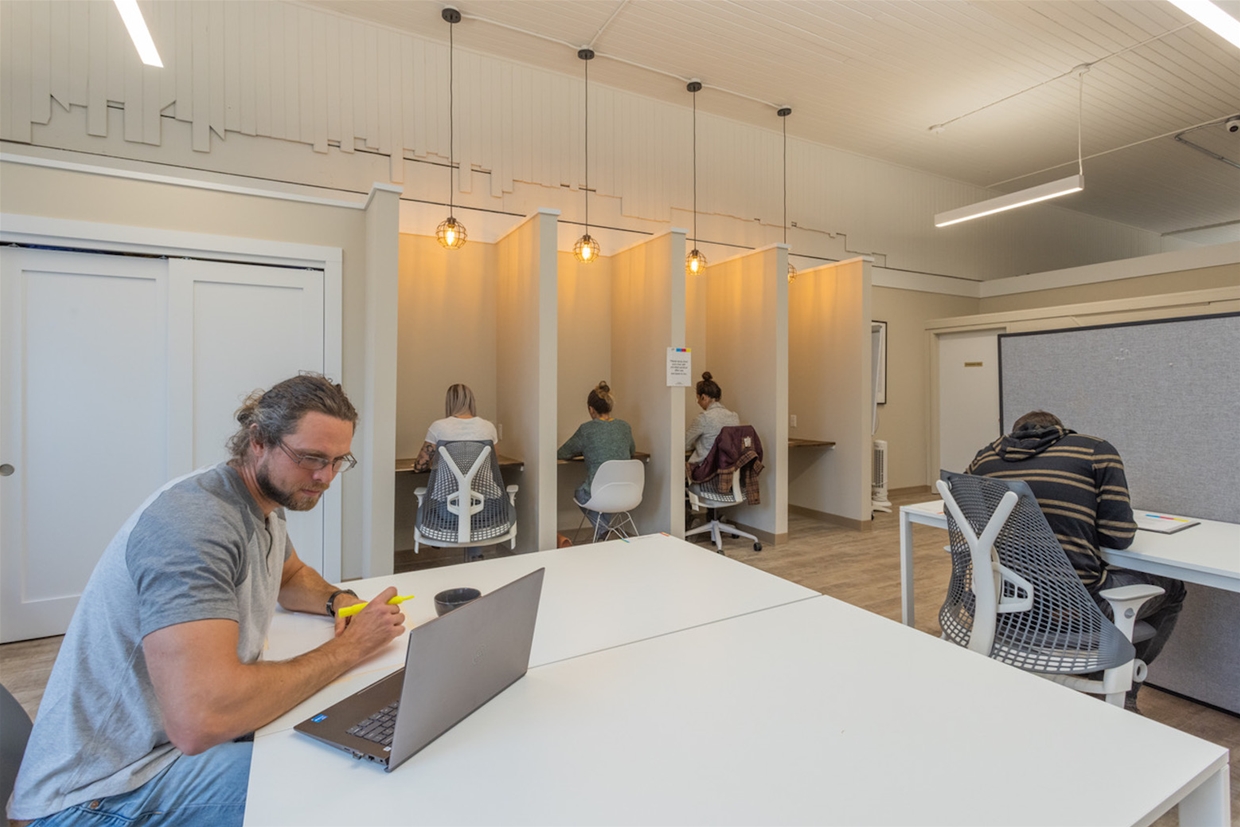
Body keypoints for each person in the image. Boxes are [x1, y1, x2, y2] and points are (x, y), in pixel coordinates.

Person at [8, 374, 406, 826]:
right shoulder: (195, 525)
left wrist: (341, 602)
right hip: (102, 793)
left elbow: (290, 576)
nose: (325, 477)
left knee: (345, 743)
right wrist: (350, 648)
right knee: (353, 784)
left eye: (337, 461)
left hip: (165, 753)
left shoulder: (262, 504)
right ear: (258, 440)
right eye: (311, 458)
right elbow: (201, 718)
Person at [966, 410, 1186, 712]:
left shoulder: (983, 459)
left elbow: (971, 520)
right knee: (1173, 588)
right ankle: (1119, 686)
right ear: (1060, 431)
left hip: (999, 603)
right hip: (1073, 611)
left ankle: (1100, 674)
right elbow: (1118, 537)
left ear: (1014, 434)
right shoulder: (1095, 452)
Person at [557, 381, 636, 541]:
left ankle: (603, 532)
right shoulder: (625, 427)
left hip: (599, 493)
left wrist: (585, 449)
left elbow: (562, 453)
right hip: (627, 493)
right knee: (603, 490)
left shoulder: (586, 429)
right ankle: (605, 534)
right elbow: (632, 450)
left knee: (581, 493)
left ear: (591, 409)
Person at [410, 383, 498, 473]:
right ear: (472, 401)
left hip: (447, 482)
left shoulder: (438, 427)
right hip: (482, 482)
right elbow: (494, 462)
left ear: (449, 403)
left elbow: (419, 467)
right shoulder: (489, 426)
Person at [685, 371, 739, 468]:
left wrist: (696, 443)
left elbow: (685, 443)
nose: (698, 402)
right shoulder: (734, 416)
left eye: (698, 398)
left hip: (706, 469)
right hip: (728, 469)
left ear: (703, 397)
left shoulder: (704, 418)